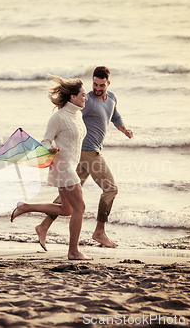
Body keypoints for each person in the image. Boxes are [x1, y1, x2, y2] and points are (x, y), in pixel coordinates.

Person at [35, 66, 133, 251]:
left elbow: (115, 117)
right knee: (110, 188)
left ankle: (44, 226)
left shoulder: (111, 98)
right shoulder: (85, 100)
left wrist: (124, 129)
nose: (97, 88)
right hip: (87, 152)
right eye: (94, 84)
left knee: (70, 195)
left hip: (84, 154)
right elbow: (68, 113)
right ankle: (99, 231)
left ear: (108, 83)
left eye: (101, 85)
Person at [10, 75, 92, 261]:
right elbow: (46, 140)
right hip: (63, 167)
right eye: (83, 95)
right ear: (72, 97)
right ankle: (73, 251)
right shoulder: (58, 117)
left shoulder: (77, 114)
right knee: (80, 207)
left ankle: (25, 206)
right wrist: (50, 148)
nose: (85, 98)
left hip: (71, 164)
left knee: (66, 210)